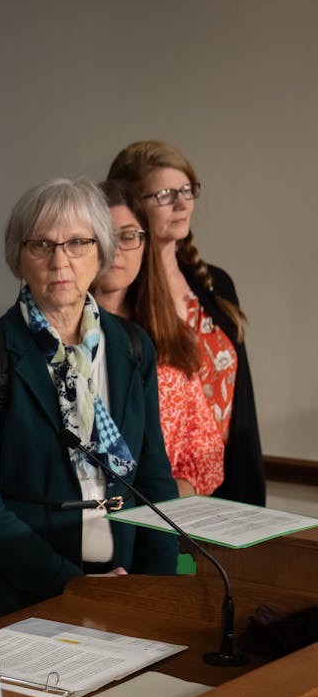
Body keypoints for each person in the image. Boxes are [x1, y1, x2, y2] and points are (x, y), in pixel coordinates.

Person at [0, 178, 178, 630]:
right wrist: (73, 585)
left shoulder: (132, 347)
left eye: (77, 243)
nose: (60, 261)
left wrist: (155, 588)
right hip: (14, 598)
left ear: (102, 252)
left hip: (122, 585)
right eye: (42, 245)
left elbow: (153, 478)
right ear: (19, 256)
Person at [106, 140, 263, 505]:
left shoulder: (215, 282)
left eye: (186, 190)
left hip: (225, 478)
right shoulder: (121, 293)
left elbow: (240, 397)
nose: (181, 203)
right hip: (160, 493)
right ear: (132, 205)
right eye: (164, 194)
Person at [92, 181, 223, 497]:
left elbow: (204, 448)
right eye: (103, 237)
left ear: (145, 243)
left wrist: (171, 494)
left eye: (129, 236)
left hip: (167, 517)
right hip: (85, 518)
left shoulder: (170, 331)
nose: (117, 250)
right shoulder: (59, 335)